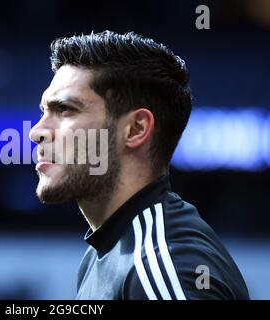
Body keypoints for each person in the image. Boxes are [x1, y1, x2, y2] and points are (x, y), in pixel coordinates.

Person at [29, 30, 249, 300]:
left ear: (135, 129)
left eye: (65, 110)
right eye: (44, 111)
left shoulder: (166, 267)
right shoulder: (104, 253)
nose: (37, 132)